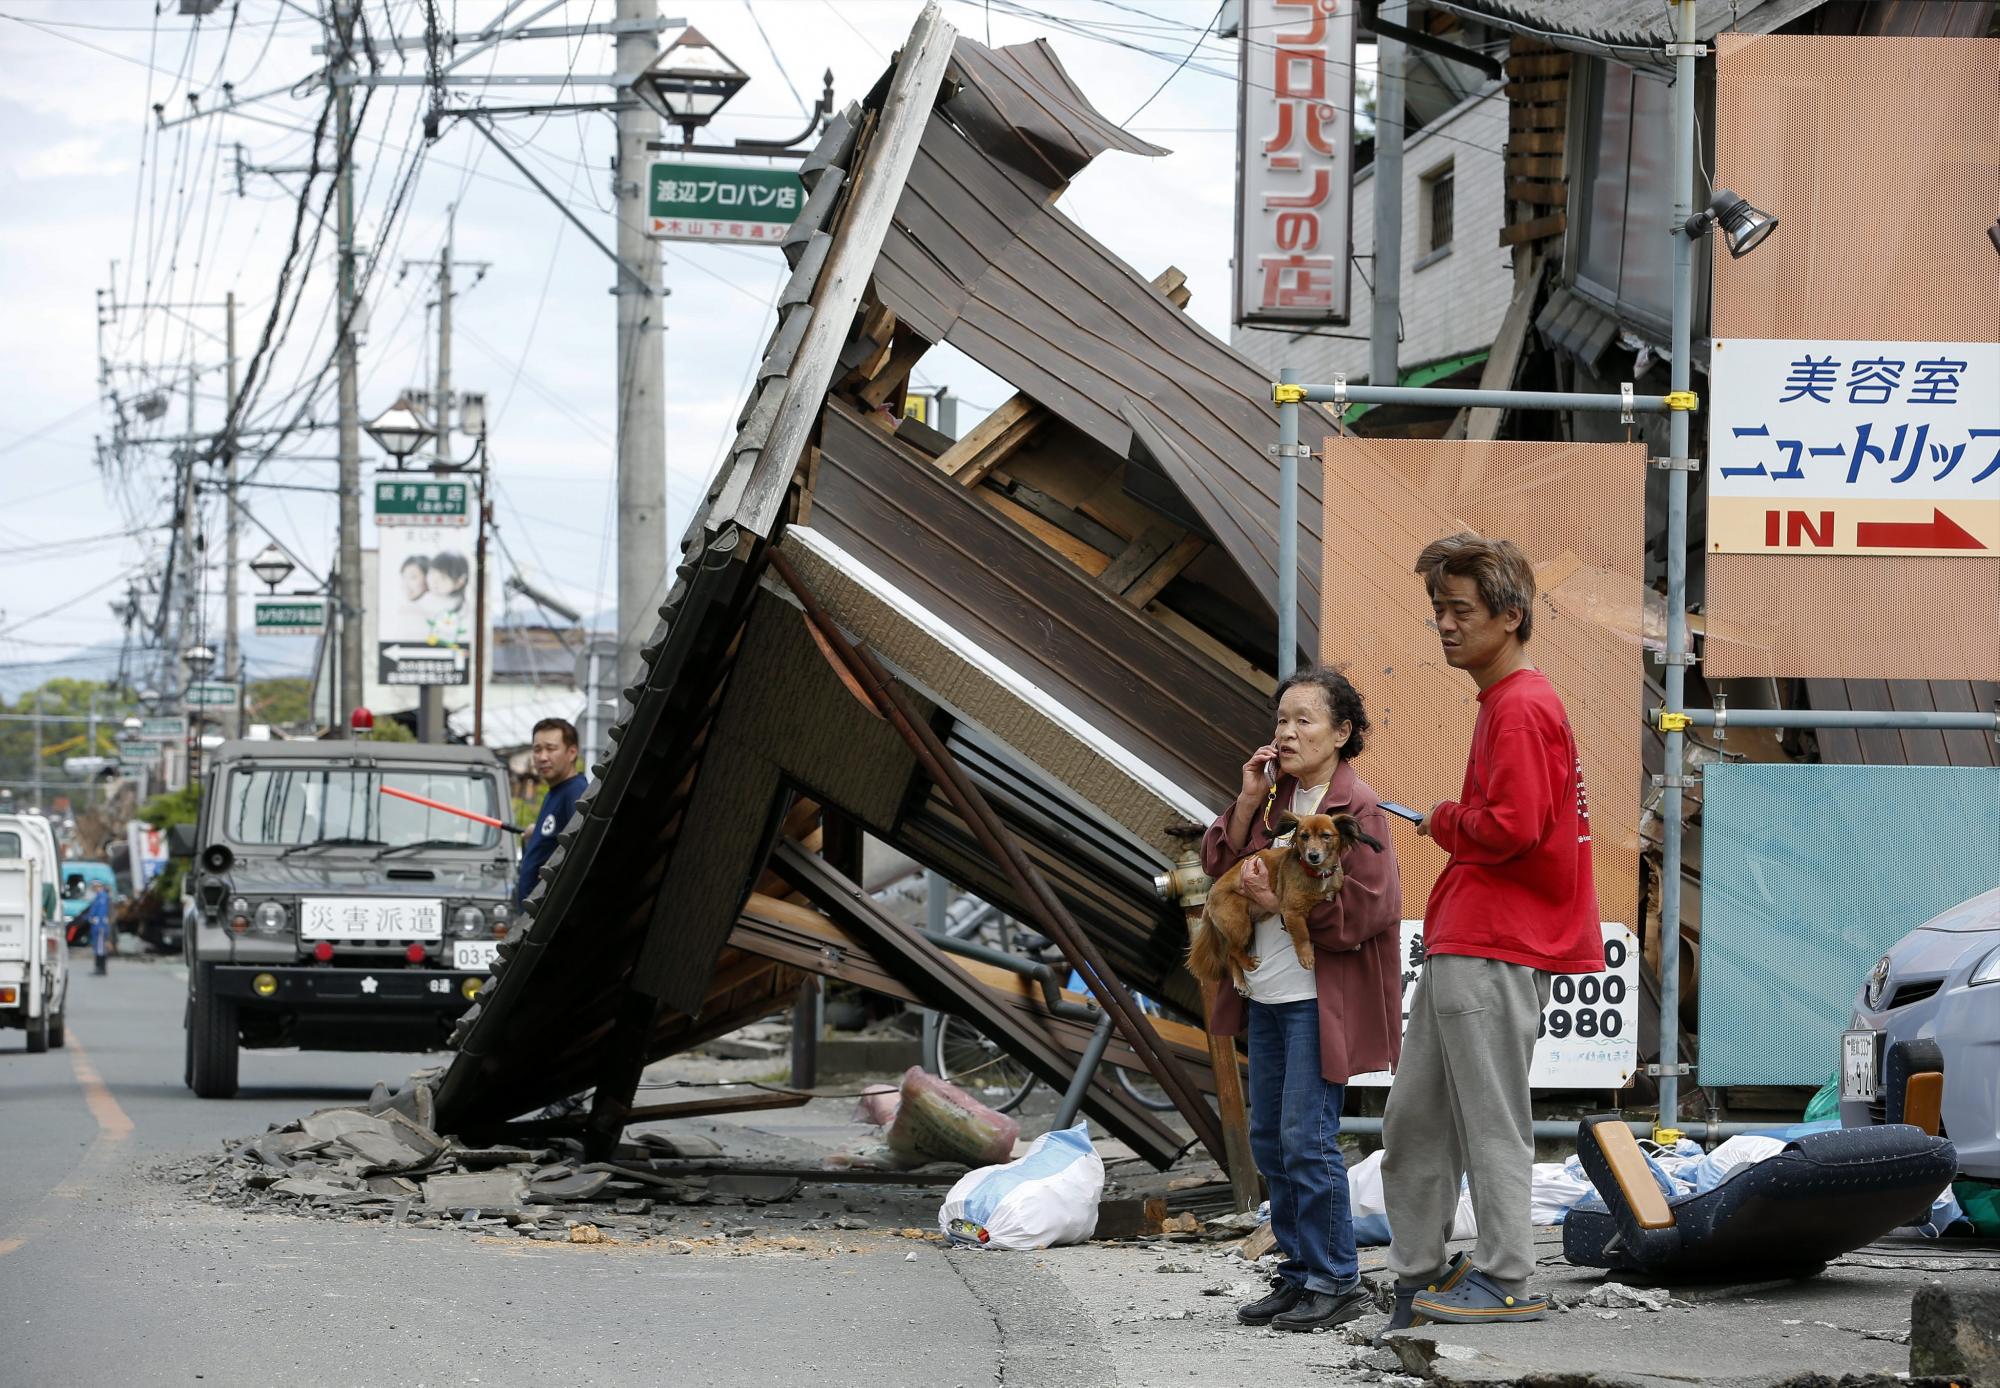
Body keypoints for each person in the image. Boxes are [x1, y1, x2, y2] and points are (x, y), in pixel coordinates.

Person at [1378, 533, 1604, 1334]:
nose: (1443, 623)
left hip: (1494, 942)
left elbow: (1511, 827)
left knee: (1487, 1117)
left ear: (1510, 616)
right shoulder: (1511, 703)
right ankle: (1420, 1272)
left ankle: (1507, 1276)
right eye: (1437, 607)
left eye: (1460, 609)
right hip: (1470, 938)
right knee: (1416, 1119)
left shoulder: (1519, 706)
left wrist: (1441, 818)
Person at [1201, 666, 1402, 1333]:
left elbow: (1371, 909)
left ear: (1342, 733)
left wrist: (1277, 905)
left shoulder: (1357, 808)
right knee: (1270, 1138)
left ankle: (1334, 1278)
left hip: (1319, 998)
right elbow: (1216, 861)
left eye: (1304, 720)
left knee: (1306, 1138)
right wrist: (1244, 795)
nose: (1287, 733)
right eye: (1281, 720)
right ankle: (1296, 1273)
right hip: (1266, 993)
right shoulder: (1270, 799)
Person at [515, 718, 586, 908]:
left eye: (551, 748)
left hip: (551, 914)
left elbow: (582, 846)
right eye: (537, 750)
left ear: (572, 752)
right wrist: (537, 830)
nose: (542, 757)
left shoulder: (575, 792)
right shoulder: (555, 792)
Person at [85, 882, 112, 975]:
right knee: (98, 947)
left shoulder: (102, 898)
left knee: (100, 948)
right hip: (96, 926)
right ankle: (98, 967)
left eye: (96, 887)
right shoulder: (98, 897)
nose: (95, 889)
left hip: (99, 927)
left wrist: (100, 925)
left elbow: (102, 913)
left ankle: (101, 968)